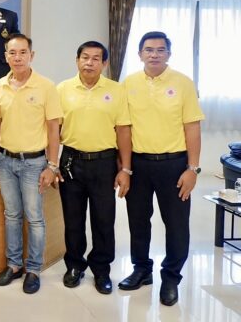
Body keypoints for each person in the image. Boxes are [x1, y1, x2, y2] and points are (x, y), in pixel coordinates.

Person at [119, 31, 204, 306]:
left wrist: (192, 168)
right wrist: (125, 168)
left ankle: (171, 277)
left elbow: (192, 127)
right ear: (139, 54)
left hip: (174, 165)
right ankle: (141, 269)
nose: (154, 54)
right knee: (138, 221)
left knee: (176, 224)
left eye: (160, 50)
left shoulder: (183, 83)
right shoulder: (128, 84)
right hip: (139, 165)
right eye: (148, 50)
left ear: (169, 53)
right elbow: (123, 129)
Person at [56, 41, 132, 295]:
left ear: (105, 63)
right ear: (77, 60)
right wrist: (51, 163)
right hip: (71, 161)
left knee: (104, 219)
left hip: (104, 162)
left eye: (96, 58)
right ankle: (74, 266)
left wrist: (125, 169)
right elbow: (53, 130)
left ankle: (101, 269)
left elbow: (123, 131)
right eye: (85, 57)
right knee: (73, 219)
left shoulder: (116, 90)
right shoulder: (62, 89)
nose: (89, 63)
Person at [0, 33, 62, 295]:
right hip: (5, 161)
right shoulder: (0, 86)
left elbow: (53, 130)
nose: (18, 57)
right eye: (12, 53)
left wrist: (52, 166)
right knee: (11, 215)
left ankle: (33, 269)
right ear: (6, 56)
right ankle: (14, 265)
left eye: (23, 52)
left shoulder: (46, 87)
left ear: (32, 55)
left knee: (34, 218)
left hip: (34, 163)